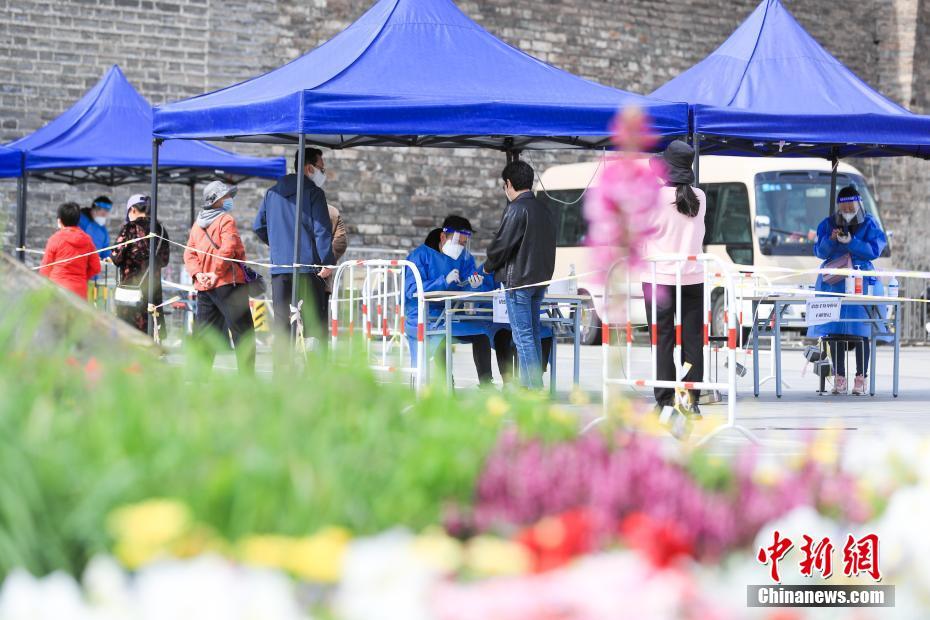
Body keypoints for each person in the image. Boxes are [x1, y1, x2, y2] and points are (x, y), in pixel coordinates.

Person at [642, 140, 706, 415]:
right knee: (693, 341)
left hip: (658, 277)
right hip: (692, 277)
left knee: (663, 340)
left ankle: (665, 399)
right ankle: (690, 398)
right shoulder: (700, 196)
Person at [254, 148, 335, 364]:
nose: (323, 172)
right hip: (308, 269)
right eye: (321, 168)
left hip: (280, 269)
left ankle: (282, 375)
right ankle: (314, 374)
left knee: (282, 327)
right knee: (312, 326)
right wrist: (327, 262)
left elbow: (258, 226)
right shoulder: (314, 193)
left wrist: (278, 245)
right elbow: (321, 230)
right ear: (309, 168)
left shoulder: (272, 193)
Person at [484, 160, 557, 389]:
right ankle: (533, 384)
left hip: (518, 282)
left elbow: (502, 245)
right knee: (533, 333)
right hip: (539, 281)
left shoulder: (516, 209)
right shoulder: (544, 209)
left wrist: (488, 266)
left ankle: (531, 388)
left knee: (522, 336)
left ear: (508, 183)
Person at [404, 216, 502, 386]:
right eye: (458, 242)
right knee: (441, 338)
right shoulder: (419, 256)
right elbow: (412, 290)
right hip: (425, 316)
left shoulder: (465, 258)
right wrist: (443, 281)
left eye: (464, 243)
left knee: (481, 335)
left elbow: (466, 287)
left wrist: (475, 286)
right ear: (443, 237)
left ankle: (487, 385)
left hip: (452, 314)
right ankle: (447, 385)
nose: (461, 247)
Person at [808, 185, 887, 395]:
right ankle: (839, 376)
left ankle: (861, 377)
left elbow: (874, 250)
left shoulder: (869, 223)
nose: (848, 211)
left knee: (862, 331)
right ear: (838, 207)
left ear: (859, 204)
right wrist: (831, 240)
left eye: (851, 207)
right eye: (844, 208)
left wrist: (853, 242)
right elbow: (819, 251)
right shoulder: (828, 224)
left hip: (861, 282)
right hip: (833, 283)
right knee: (834, 331)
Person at [183, 180, 256, 374]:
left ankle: (199, 376)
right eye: (226, 196)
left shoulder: (197, 224)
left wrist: (199, 274)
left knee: (205, 333)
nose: (230, 199)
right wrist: (215, 273)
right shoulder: (226, 220)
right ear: (216, 200)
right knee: (243, 332)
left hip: (205, 287)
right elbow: (228, 249)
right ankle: (247, 378)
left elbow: (189, 254)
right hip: (229, 283)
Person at [110, 194, 170, 335]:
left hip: (131, 290)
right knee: (151, 332)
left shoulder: (130, 228)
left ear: (133, 210)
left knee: (129, 334)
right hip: (153, 290)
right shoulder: (161, 230)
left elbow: (116, 257)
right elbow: (164, 261)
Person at [39, 202, 101, 299]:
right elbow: (96, 267)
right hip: (79, 290)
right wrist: (82, 277)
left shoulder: (55, 239)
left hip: (57, 289)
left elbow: (45, 268)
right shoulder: (87, 240)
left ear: (60, 220)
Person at [323, 203, 349, 300]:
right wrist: (327, 263)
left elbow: (340, 242)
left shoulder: (285, 207)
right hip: (321, 275)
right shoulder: (331, 211)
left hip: (286, 274)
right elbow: (340, 242)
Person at [78, 195, 113, 260]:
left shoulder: (102, 230)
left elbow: (105, 250)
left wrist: (109, 259)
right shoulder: (79, 221)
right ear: (95, 209)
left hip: (94, 263)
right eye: (103, 213)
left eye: (107, 211)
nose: (105, 214)